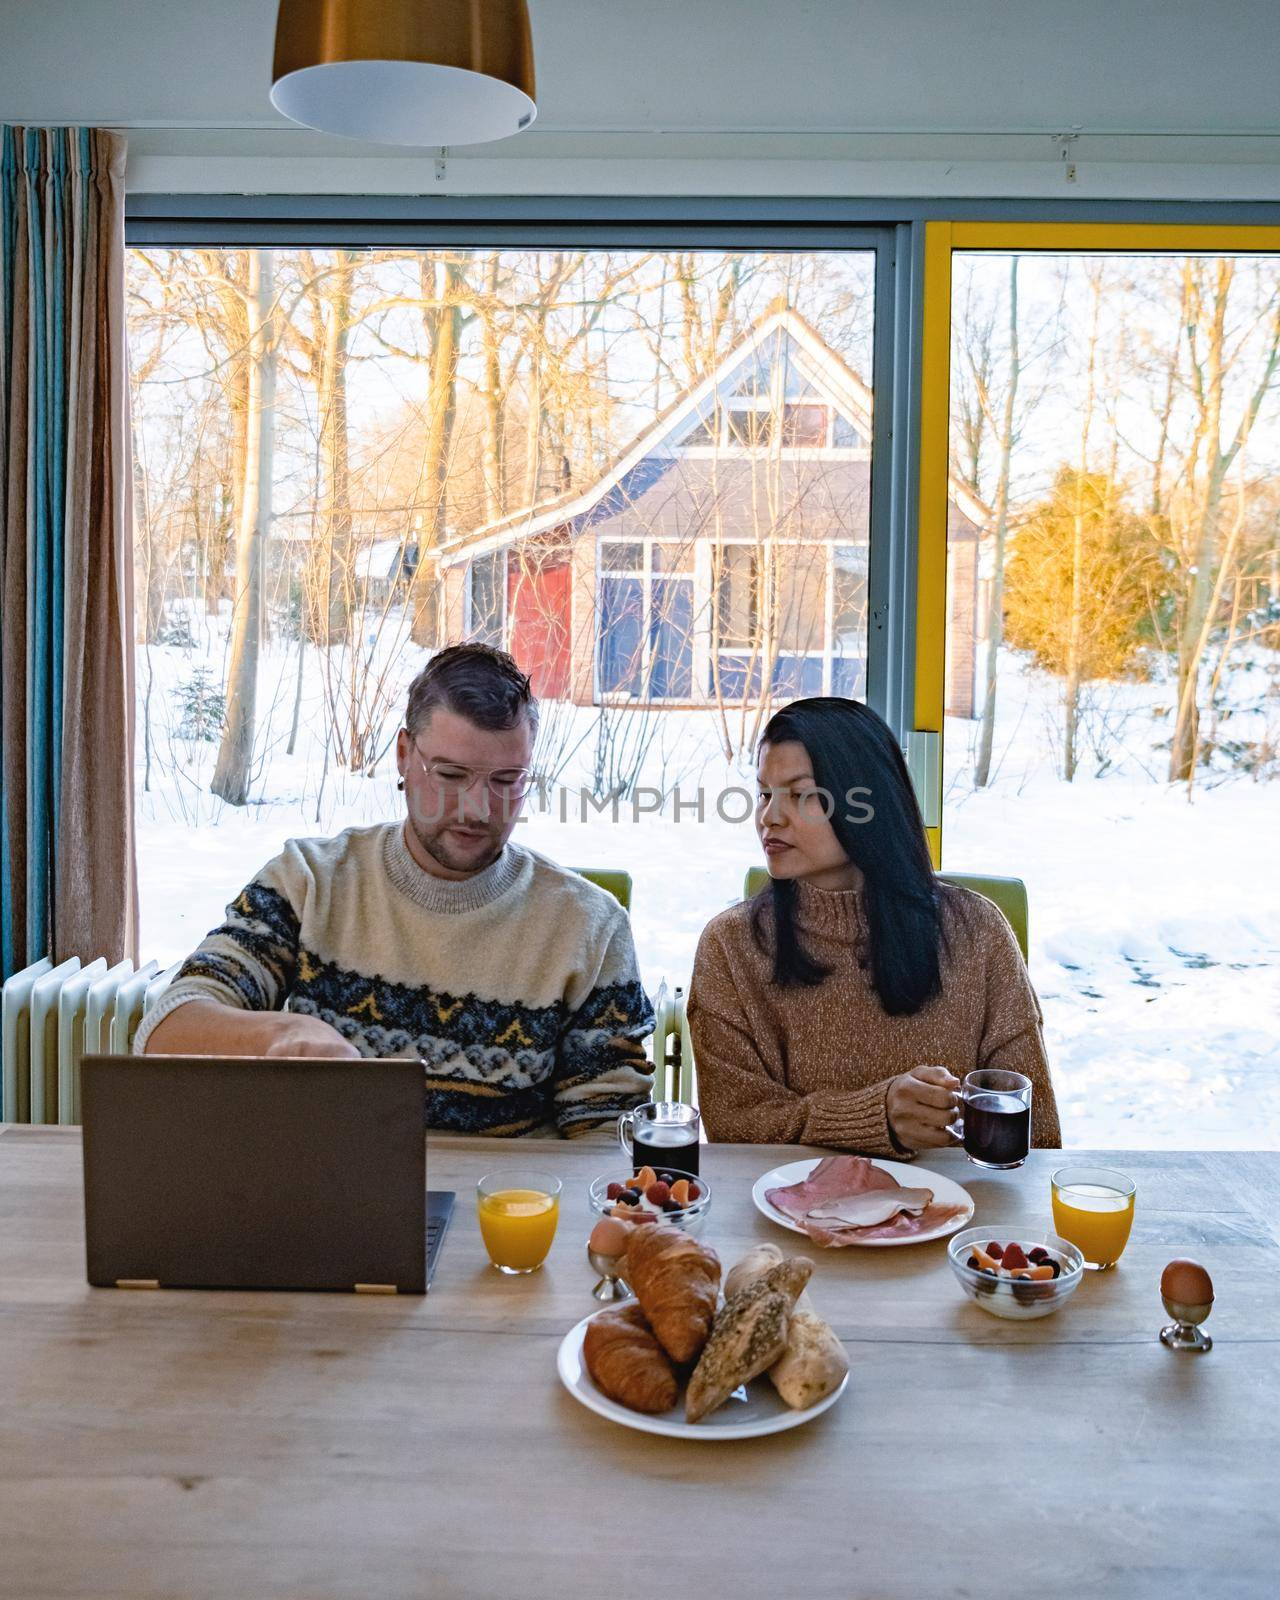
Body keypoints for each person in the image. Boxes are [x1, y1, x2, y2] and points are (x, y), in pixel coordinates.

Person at [138, 644, 655, 1139]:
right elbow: (168, 1027)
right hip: (331, 1197)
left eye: (506, 781)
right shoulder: (309, 883)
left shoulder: (589, 926)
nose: (478, 808)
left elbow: (607, 1138)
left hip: (508, 1210)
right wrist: (280, 1037)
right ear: (404, 755)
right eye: (451, 774)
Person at [687, 697, 1060, 1156]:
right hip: (787, 1215)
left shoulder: (978, 932)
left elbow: (1036, 1132)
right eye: (765, 794)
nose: (769, 817)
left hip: (960, 1216)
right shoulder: (731, 946)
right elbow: (735, 1125)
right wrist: (875, 1116)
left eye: (802, 795)